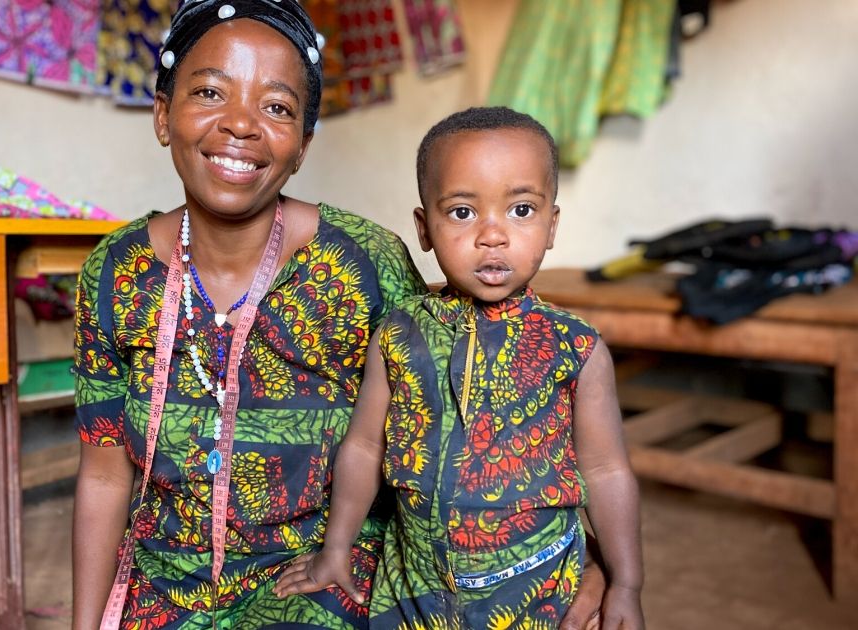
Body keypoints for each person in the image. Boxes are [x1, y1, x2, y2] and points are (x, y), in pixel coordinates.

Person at [71, 0, 607, 626]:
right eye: (211, 92)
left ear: (302, 145)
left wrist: (586, 559)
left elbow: (478, 423)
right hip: (163, 584)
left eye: (277, 107)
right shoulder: (115, 272)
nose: (241, 124)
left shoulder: (363, 263)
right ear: (164, 116)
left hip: (321, 578)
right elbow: (104, 476)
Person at [274, 107, 644, 629]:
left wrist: (626, 583)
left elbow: (606, 471)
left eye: (520, 209)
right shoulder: (399, 334)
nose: (492, 235)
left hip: (537, 586)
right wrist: (337, 548)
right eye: (463, 213)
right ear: (424, 228)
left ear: (552, 224)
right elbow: (363, 446)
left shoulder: (575, 347)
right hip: (414, 585)